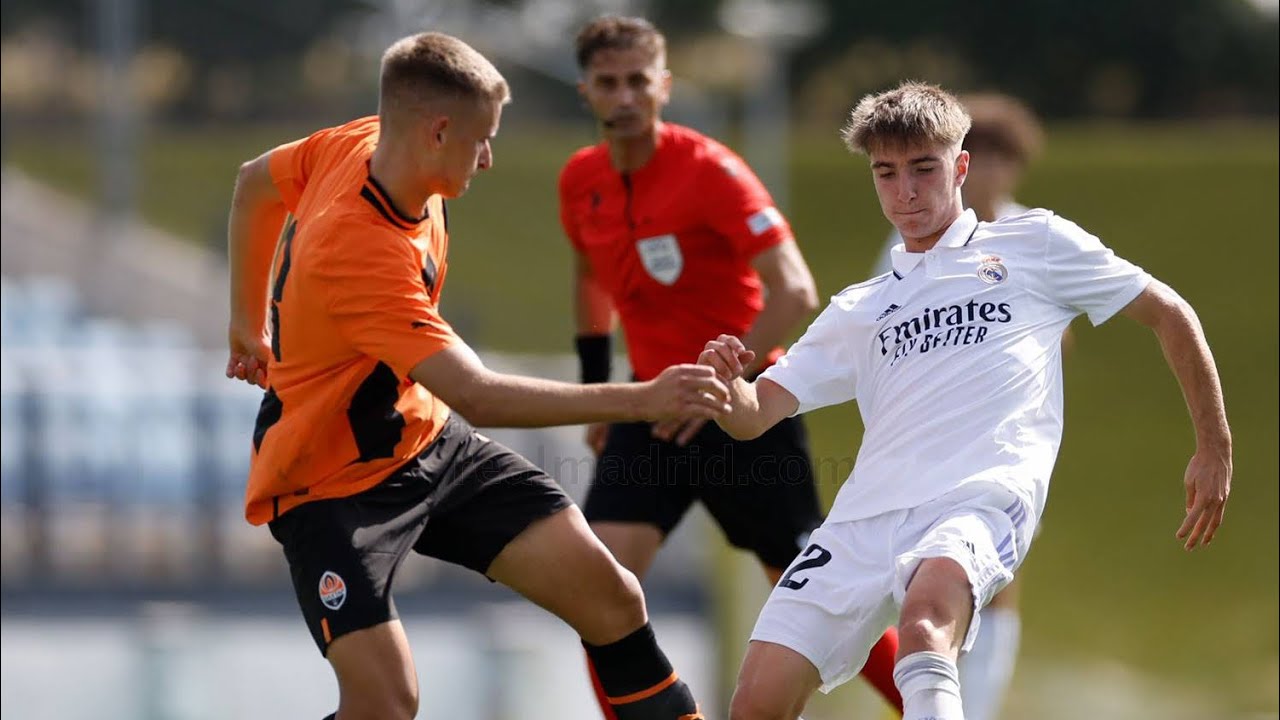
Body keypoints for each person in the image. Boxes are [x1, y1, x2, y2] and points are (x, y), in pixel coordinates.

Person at [224, 31, 731, 720]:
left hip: (429, 444)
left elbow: (254, 180)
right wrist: (645, 399)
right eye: (481, 140)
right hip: (329, 484)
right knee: (385, 704)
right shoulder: (356, 253)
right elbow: (478, 395)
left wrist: (244, 323)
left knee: (611, 598)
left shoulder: (367, 140)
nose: (489, 158)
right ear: (437, 132)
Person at [696, 81, 1232, 720]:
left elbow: (1169, 312)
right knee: (756, 699)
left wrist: (1214, 445)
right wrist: (726, 389)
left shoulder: (1034, 243)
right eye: (886, 173)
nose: (906, 191)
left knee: (926, 626)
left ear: (961, 166)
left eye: (924, 168)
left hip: (978, 500)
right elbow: (755, 416)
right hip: (863, 520)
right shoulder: (859, 307)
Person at [557, 15, 903, 717]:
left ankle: (936, 706)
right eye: (608, 82)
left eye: (637, 81)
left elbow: (794, 289)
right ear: (586, 90)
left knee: (820, 599)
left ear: (664, 85)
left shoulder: (711, 171)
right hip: (653, 409)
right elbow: (591, 279)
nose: (624, 96)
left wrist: (719, 387)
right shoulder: (581, 179)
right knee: (594, 588)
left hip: (744, 410)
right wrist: (600, 393)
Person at [870, 92, 1047, 720]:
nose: (992, 171)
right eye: (983, 155)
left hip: (1006, 442)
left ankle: (980, 706)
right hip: (928, 444)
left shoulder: (1034, 236)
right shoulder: (916, 241)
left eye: (1004, 158)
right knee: (924, 585)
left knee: (998, 581)